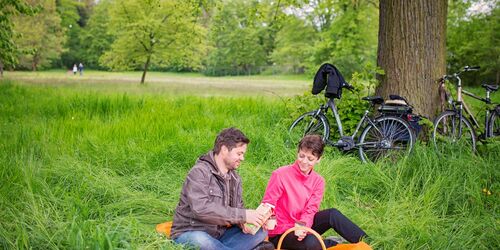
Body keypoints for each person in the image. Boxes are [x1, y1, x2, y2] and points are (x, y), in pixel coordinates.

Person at [262, 135, 368, 249]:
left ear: (318, 159)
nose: (304, 161)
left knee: (332, 214)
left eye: (310, 159)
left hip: (303, 226)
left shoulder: (318, 181)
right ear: (297, 153)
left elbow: (311, 209)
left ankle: (369, 243)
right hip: (281, 232)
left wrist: (303, 225)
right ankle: (330, 244)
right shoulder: (280, 174)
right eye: (301, 156)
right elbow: (268, 204)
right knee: (312, 242)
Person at [171, 127, 269, 250]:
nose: (242, 158)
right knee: (204, 242)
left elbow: (237, 209)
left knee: (261, 232)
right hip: (192, 232)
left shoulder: (235, 178)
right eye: (239, 153)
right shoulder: (199, 172)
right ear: (224, 149)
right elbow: (201, 209)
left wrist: (243, 223)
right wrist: (243, 215)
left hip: (219, 235)